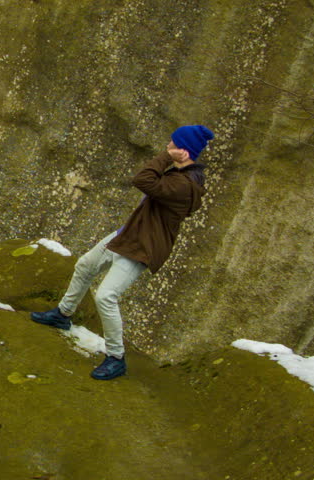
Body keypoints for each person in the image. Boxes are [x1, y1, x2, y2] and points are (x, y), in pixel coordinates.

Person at [31, 125, 214, 380]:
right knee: (85, 265)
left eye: (172, 144)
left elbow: (142, 180)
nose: (167, 147)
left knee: (106, 296)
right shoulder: (177, 176)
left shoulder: (185, 186)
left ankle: (116, 358)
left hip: (142, 247)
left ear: (183, 151)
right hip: (126, 235)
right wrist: (171, 157)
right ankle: (63, 314)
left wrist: (166, 156)